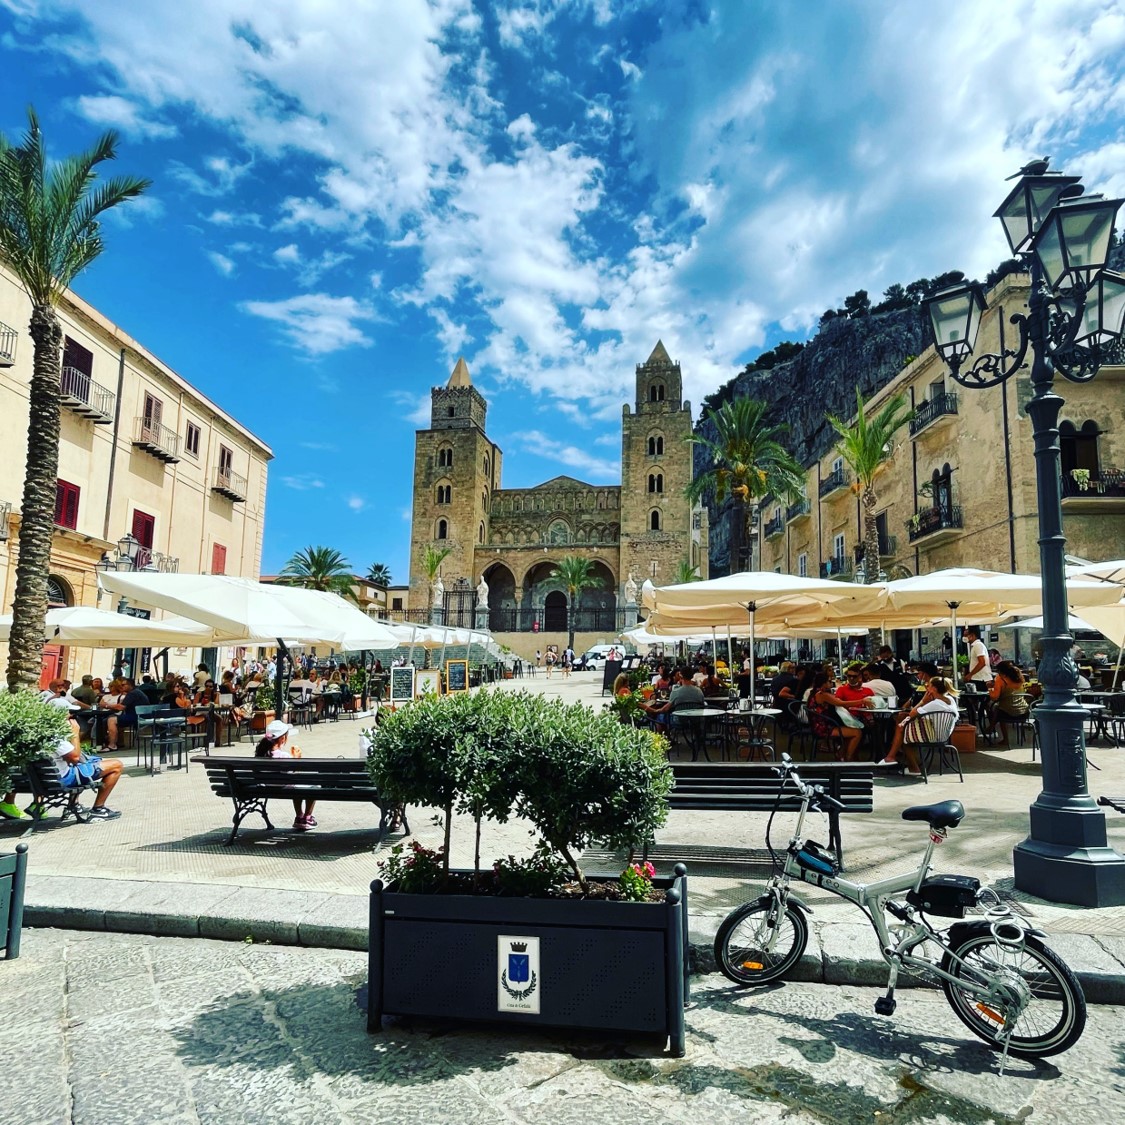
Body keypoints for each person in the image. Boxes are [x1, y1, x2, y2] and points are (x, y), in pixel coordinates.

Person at [878, 676, 960, 772]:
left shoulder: (935, 703)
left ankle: (909, 766)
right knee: (902, 722)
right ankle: (894, 758)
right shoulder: (950, 699)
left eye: (928, 686)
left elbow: (912, 713)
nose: (926, 688)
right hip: (945, 735)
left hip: (934, 736)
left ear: (934, 689)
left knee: (904, 735)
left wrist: (923, 701)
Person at [255, 719, 316, 830]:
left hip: (266, 787)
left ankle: (299, 815)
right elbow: (293, 776)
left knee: (295, 787)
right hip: (284, 788)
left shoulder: (261, 754)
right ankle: (306, 817)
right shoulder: (284, 756)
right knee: (311, 787)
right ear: (282, 738)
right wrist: (296, 760)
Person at [52, 734, 124, 820]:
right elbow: (76, 758)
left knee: (88, 762)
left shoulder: (35, 737)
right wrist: (74, 734)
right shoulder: (55, 737)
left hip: (44, 780)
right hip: (63, 780)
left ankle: (73, 806)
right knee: (116, 765)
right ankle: (98, 809)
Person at [806, 671, 865, 761]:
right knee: (857, 732)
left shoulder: (815, 693)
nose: (831, 683)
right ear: (824, 683)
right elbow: (841, 703)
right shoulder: (822, 695)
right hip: (823, 728)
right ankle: (848, 758)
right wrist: (862, 701)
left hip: (819, 725)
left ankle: (841, 754)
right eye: (829, 681)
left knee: (850, 731)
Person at [641, 666, 704, 735]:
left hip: (679, 721)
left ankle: (666, 739)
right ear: (692, 676)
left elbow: (665, 709)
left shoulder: (676, 692)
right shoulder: (699, 691)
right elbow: (702, 704)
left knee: (660, 718)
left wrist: (656, 711)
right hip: (696, 720)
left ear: (680, 675)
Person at [988, 660, 1030, 748]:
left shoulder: (1000, 679)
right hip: (1024, 712)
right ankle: (991, 726)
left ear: (1001, 671)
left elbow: (995, 697)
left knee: (995, 708)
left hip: (1007, 713)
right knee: (998, 708)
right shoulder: (1020, 677)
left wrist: (990, 689)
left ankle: (996, 732)